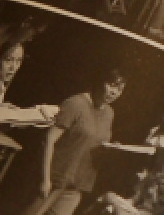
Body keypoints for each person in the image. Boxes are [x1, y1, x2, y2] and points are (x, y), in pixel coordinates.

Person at [23, 68, 127, 215]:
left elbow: (97, 145)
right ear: (100, 82)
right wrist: (45, 179)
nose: (114, 92)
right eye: (111, 85)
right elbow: (49, 139)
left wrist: (112, 148)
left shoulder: (109, 113)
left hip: (77, 185)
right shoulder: (75, 104)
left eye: (120, 89)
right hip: (55, 178)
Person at [96, 150, 164, 215]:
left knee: (115, 210)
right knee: (109, 196)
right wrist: (120, 204)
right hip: (134, 211)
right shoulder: (155, 178)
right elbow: (134, 199)